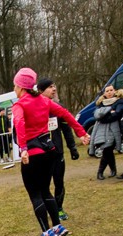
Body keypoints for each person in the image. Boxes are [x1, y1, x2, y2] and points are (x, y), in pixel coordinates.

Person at [11, 68, 90, 236]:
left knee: (35, 194)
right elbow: (65, 113)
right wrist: (82, 132)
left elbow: (19, 124)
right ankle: (57, 227)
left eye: (15, 85)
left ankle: (47, 233)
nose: (14, 89)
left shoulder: (19, 105)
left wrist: (23, 149)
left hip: (32, 153)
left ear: (21, 87)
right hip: (49, 150)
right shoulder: (44, 101)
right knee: (46, 190)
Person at [37, 79, 80, 221]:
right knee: (43, 183)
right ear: (41, 90)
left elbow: (66, 129)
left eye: (54, 86)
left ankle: (59, 208)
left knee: (59, 182)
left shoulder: (58, 107)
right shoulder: (35, 108)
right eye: (50, 87)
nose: (54, 89)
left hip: (57, 152)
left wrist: (72, 147)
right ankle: (47, 207)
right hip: (42, 154)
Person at [90, 85, 123, 180]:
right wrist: (109, 112)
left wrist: (105, 115)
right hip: (101, 130)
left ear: (115, 91)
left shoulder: (119, 101)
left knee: (108, 149)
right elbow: (97, 116)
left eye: (111, 90)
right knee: (108, 150)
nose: (109, 92)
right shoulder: (100, 103)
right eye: (107, 91)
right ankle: (112, 170)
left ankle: (100, 172)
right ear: (104, 93)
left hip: (114, 129)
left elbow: (117, 114)